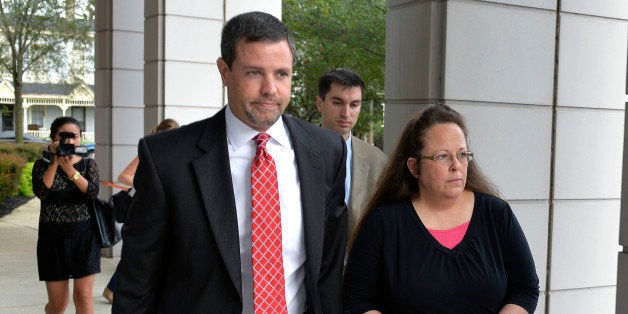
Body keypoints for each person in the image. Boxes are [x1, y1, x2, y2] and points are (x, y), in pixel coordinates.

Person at [113, 11, 347, 313]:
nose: (270, 89)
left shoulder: (326, 151)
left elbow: (328, 268)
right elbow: (136, 281)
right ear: (225, 72)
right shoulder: (167, 158)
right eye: (254, 73)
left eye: (281, 74)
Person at [342, 104, 539, 313]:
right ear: (414, 167)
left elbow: (525, 289)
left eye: (462, 155)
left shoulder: (496, 214)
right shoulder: (383, 224)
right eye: (442, 156)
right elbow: (355, 301)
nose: (456, 165)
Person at [101, 118, 179, 304]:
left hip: (159, 210)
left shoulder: (173, 154)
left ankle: (113, 289)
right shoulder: (150, 151)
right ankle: (113, 289)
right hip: (141, 211)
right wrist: (149, 182)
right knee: (139, 253)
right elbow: (124, 176)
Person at [32, 116, 100, 314]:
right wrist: (55, 162)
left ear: (80, 139)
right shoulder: (42, 164)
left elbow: (92, 192)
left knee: (84, 296)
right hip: (52, 240)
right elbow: (42, 193)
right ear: (54, 138)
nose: (70, 141)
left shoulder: (88, 164)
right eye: (64, 136)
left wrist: (70, 169)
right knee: (58, 304)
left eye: (75, 136)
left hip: (84, 238)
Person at [316, 68, 387, 237]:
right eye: (337, 102)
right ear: (320, 104)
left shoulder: (379, 161)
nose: (346, 113)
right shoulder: (295, 153)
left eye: (354, 104)